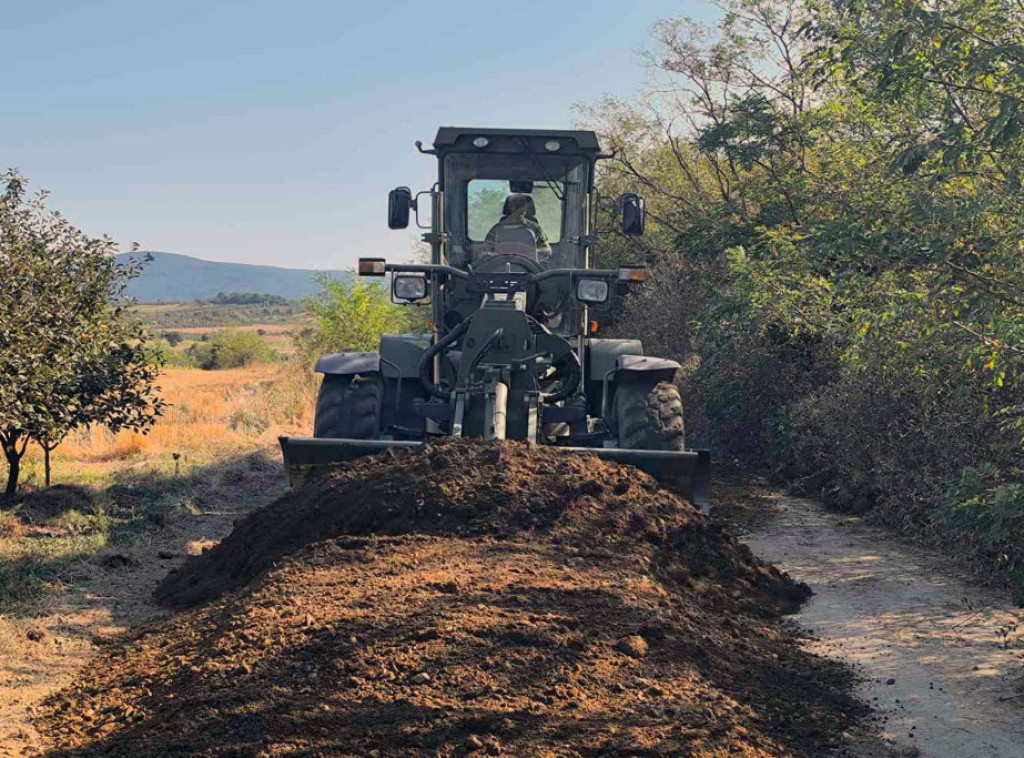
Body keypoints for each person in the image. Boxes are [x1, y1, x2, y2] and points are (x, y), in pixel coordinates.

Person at [483, 193, 552, 259]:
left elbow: (546, 250)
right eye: (514, 203)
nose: (518, 206)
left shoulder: (535, 228)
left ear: (527, 206)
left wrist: (532, 253)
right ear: (509, 206)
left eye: (522, 203)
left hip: (531, 268)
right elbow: (486, 251)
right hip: (501, 267)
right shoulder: (497, 229)